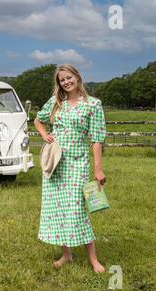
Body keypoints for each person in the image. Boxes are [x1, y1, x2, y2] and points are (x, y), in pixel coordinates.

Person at [34, 64, 107, 273]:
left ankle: (93, 259)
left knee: (76, 211)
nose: (66, 82)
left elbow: (97, 139)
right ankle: (67, 255)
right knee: (58, 210)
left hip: (77, 162)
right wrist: (44, 135)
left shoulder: (93, 104)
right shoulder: (57, 102)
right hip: (55, 163)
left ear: (77, 77)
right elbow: (38, 120)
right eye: (62, 80)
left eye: (69, 77)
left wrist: (98, 169)